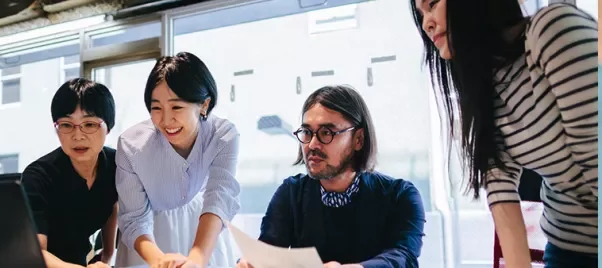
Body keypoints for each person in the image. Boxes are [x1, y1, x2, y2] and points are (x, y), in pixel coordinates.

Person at [411, 1, 598, 267]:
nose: (426, 23)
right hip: (567, 246)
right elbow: (501, 191)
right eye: (421, 15)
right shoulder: (486, 84)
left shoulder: (551, 31)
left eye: (432, 4)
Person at [236, 85, 425, 268]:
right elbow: (269, 251)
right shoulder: (292, 193)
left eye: (326, 133)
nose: (312, 144)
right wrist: (251, 263)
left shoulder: (400, 195)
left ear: (358, 139)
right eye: (307, 133)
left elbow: (404, 258)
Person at [115, 52, 241, 268]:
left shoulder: (223, 135)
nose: (165, 120)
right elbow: (134, 217)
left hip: (203, 229)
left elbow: (219, 196)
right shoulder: (131, 145)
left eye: (176, 107)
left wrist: (197, 259)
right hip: (148, 239)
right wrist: (159, 260)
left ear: (204, 105)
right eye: (156, 108)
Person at [21, 78, 118, 268]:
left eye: (89, 124)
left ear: (109, 127)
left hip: (81, 260)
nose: (78, 136)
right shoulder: (38, 177)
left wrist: (107, 255)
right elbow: (37, 255)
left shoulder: (116, 164)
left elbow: (111, 204)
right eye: (66, 125)